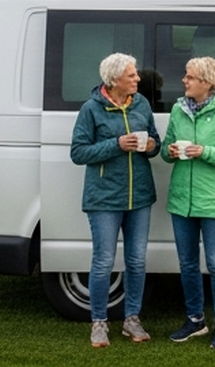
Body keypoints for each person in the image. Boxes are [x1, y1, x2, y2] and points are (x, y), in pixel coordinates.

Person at [69, 52, 161, 348]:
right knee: (104, 261)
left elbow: (155, 144)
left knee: (136, 261)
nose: (138, 79)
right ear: (114, 79)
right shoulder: (91, 109)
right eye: (132, 75)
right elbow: (78, 152)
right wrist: (117, 144)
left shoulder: (142, 104)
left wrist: (149, 146)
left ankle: (131, 319)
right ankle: (99, 323)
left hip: (140, 196)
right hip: (104, 198)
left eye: (136, 75)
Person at [160, 55, 215, 350]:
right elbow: (164, 149)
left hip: (214, 202)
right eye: (186, 76)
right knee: (187, 264)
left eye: (189, 77)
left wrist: (205, 151)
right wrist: (170, 151)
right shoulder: (177, 109)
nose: (184, 80)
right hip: (182, 201)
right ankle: (195, 321)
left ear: (207, 82)